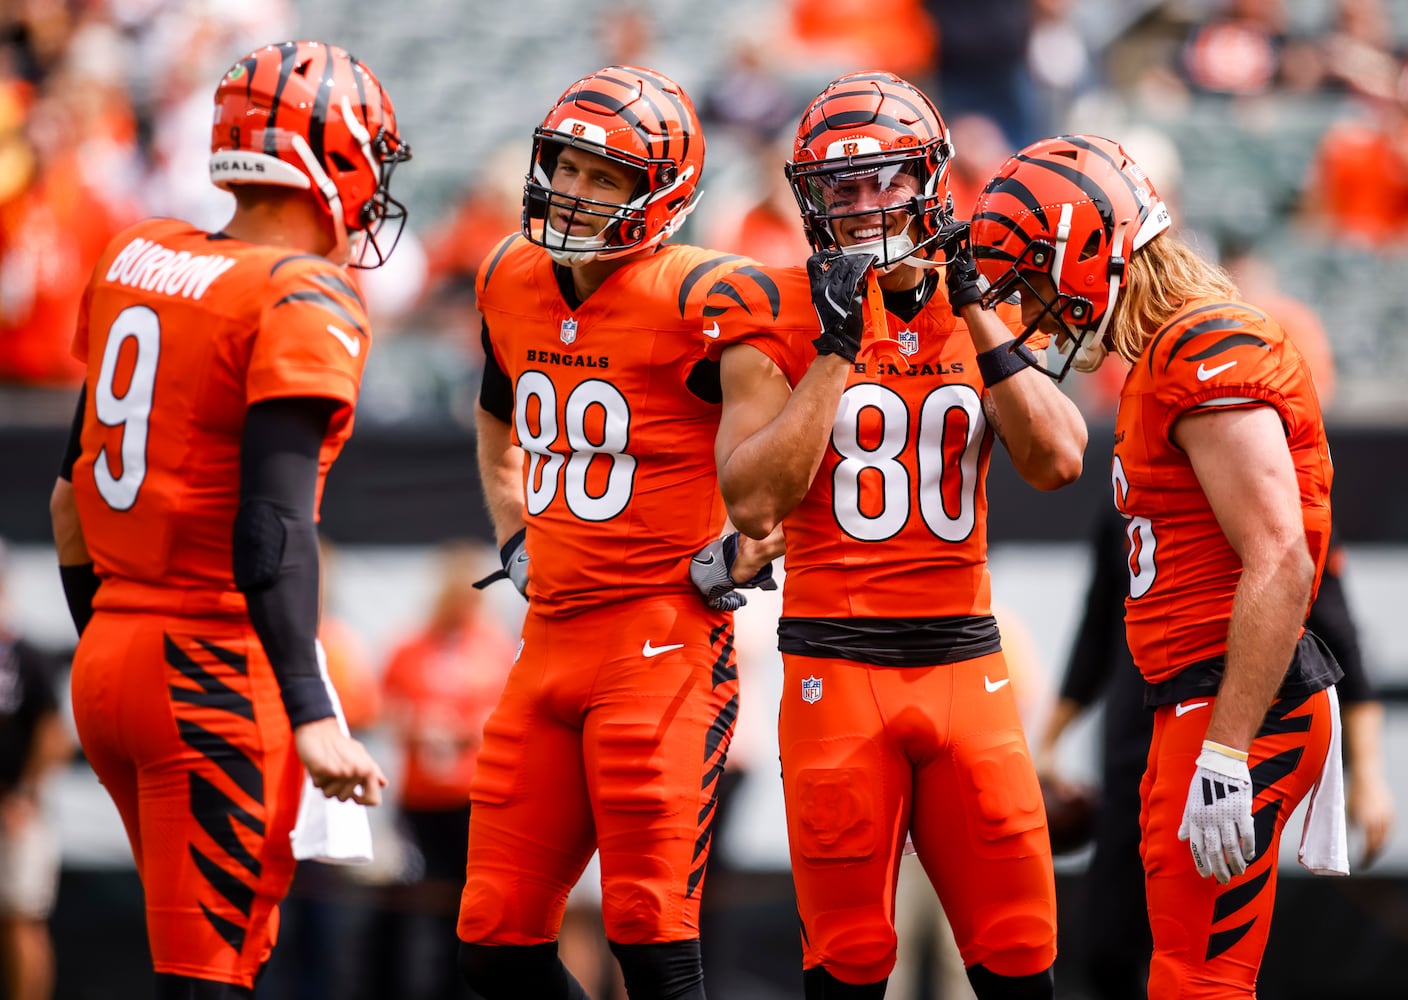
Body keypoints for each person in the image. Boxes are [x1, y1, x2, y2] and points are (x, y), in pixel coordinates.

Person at [703, 71, 1087, 998]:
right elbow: (752, 504)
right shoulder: (780, 314)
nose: (869, 204)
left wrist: (980, 310)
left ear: (931, 182)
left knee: (1019, 949)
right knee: (849, 960)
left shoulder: (977, 303)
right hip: (836, 665)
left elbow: (1060, 458)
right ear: (812, 201)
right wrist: (837, 351)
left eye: (888, 179)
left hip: (966, 660)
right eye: (843, 187)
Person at [47, 40, 410, 998]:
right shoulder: (299, 291)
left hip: (110, 656)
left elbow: (66, 497)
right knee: (211, 979)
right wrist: (313, 708)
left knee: (197, 964)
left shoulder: (138, 251)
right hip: (209, 665)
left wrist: (112, 645)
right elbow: (273, 526)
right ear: (333, 156)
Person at [970, 133, 1345, 999]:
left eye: (1031, 277)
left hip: (1235, 701)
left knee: (1197, 981)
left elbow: (1281, 555)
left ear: (1088, 250)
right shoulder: (1161, 355)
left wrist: (1227, 746)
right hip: (1197, 697)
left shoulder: (1203, 346)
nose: (1029, 307)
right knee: (1182, 970)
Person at [457, 65, 779, 1000]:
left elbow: (813, 445)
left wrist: (761, 540)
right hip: (548, 637)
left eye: (606, 177)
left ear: (660, 195)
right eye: (566, 166)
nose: (575, 190)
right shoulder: (508, 275)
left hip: (662, 643)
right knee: (492, 942)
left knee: (652, 941)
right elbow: (495, 413)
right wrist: (514, 535)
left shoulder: (705, 297)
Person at [381, 542, 515, 1000]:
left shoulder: (494, 649)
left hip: (474, 799)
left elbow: (512, 712)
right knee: (427, 907)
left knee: (475, 907)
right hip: (421, 801)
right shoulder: (411, 647)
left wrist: (464, 730)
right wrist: (421, 727)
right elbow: (386, 710)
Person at [0, 542, 72, 1000]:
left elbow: (56, 734)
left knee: (21, 918)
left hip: (17, 812)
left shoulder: (24, 656)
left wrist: (24, 793)